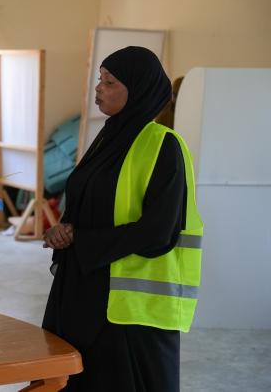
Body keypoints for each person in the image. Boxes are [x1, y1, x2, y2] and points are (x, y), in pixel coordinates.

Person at [42, 46, 202, 392]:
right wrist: (64, 228)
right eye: (100, 80)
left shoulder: (164, 146)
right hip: (85, 290)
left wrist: (81, 239)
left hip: (131, 310)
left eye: (110, 82)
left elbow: (159, 231)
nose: (99, 88)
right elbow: (87, 200)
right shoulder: (107, 138)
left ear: (138, 89)